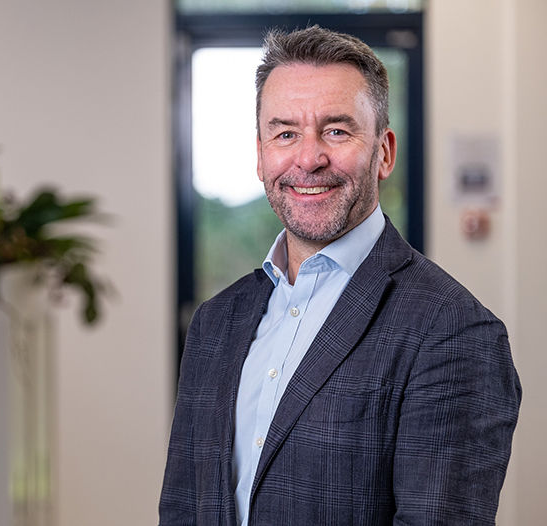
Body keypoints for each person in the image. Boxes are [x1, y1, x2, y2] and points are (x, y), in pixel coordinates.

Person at [159, 26, 521, 526]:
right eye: (285, 133)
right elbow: (182, 510)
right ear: (261, 156)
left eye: (337, 130)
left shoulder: (453, 332)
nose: (309, 158)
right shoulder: (213, 325)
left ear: (385, 152)